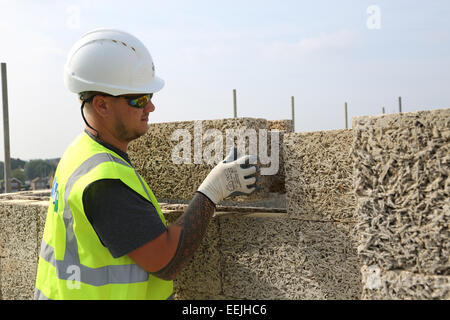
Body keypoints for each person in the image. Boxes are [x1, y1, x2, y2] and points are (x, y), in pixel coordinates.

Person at [34, 28, 258, 300]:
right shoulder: (104, 181)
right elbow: (167, 260)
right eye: (139, 99)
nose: (150, 107)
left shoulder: (79, 151)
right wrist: (212, 191)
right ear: (102, 105)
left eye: (150, 97)